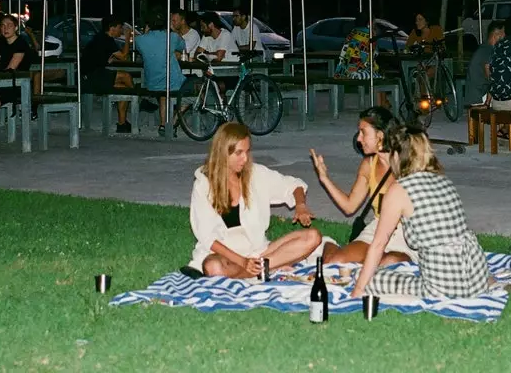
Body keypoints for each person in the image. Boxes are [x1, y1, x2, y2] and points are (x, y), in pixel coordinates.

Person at [350, 126, 491, 299]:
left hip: (443, 288)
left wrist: (358, 290)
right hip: (478, 276)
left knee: (361, 276)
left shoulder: (400, 189)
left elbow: (378, 244)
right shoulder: (443, 180)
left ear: (396, 156)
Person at [187, 122, 322, 278]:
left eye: (247, 151)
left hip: (259, 252)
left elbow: (294, 185)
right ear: (223, 153)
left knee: (313, 237)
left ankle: (255, 270)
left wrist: (300, 206)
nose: (245, 159)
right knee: (213, 266)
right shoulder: (203, 185)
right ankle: (265, 268)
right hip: (226, 256)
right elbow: (207, 237)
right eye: (239, 153)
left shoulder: (255, 174)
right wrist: (243, 262)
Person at [309, 107, 415, 266]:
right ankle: (328, 244)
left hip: (407, 233)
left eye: (363, 132)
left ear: (380, 136)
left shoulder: (410, 163)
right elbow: (349, 206)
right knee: (335, 261)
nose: (358, 139)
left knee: (389, 263)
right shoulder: (368, 165)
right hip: (378, 227)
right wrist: (324, 178)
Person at [132, 15, 191, 135]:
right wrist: (173, 30)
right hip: (173, 81)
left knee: (164, 94)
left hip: (152, 83)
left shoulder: (139, 40)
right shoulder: (172, 37)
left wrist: (146, 32)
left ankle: (163, 125)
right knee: (195, 93)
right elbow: (183, 46)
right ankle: (173, 123)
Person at [80, 14, 135, 133]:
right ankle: (138, 98)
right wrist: (127, 38)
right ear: (112, 28)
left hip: (91, 76)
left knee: (125, 88)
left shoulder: (100, 38)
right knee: (125, 76)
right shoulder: (106, 39)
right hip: (91, 77)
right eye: (120, 27)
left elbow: (102, 58)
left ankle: (122, 123)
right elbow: (124, 56)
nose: (121, 31)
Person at [465, 20, 504, 106]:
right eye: (504, 34)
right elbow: (490, 76)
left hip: (476, 93)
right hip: (480, 95)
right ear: (497, 34)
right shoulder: (487, 50)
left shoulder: (485, 47)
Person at [334, 12, 380, 80]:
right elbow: (374, 55)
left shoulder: (352, 32)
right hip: (357, 73)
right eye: (374, 23)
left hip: (341, 72)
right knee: (380, 79)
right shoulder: (370, 35)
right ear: (369, 23)